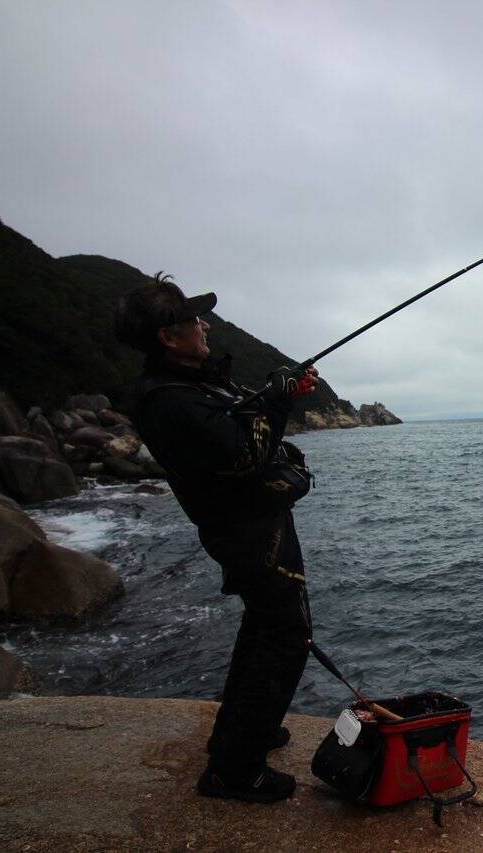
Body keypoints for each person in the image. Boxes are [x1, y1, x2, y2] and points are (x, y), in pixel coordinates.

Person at [114, 273, 320, 803]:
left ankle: (240, 733)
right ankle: (234, 770)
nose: (203, 325)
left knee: (262, 627)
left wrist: (283, 392)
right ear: (167, 336)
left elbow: (241, 426)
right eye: (192, 320)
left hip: (255, 524)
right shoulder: (169, 400)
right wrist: (275, 404)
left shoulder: (192, 384)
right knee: (285, 636)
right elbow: (241, 455)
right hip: (247, 533)